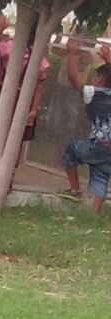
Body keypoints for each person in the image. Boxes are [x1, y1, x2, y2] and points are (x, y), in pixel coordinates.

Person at [0, 16, 51, 166]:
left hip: (6, 94)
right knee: (16, 138)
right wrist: (34, 108)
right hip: (25, 98)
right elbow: (39, 87)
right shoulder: (39, 57)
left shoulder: (11, 47)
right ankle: (9, 173)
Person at [61, 39, 111, 212]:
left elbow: (74, 80)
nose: (93, 79)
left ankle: (74, 189)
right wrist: (109, 60)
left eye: (96, 76)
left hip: (98, 144)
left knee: (71, 149)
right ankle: (94, 214)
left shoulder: (95, 94)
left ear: (101, 79)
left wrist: (72, 55)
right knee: (101, 175)